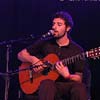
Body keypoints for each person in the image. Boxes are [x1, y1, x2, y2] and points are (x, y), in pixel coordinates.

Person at [18, 11, 89, 100]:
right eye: (53, 24)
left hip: (67, 85)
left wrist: (68, 76)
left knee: (80, 88)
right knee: (47, 84)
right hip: (49, 85)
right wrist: (33, 60)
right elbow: (21, 54)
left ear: (68, 28)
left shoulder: (77, 50)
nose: (54, 27)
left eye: (59, 24)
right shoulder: (45, 43)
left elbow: (79, 78)